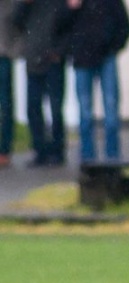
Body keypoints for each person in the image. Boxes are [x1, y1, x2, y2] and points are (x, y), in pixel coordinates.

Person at [66, 0, 129, 162]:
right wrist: (71, 9)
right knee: (85, 111)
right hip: (82, 59)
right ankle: (87, 158)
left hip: (106, 57)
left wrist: (114, 47)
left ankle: (113, 156)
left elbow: (125, 25)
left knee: (110, 108)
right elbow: (60, 26)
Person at [13, 0, 73, 167]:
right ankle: (40, 151)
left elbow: (69, 26)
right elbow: (16, 22)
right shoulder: (28, 4)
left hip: (53, 62)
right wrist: (24, 4)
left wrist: (59, 51)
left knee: (55, 107)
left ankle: (57, 151)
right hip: (33, 59)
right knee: (33, 107)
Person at [0, 0, 24, 167]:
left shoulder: (11, 4)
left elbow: (20, 27)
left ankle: (4, 150)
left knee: (6, 103)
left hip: (4, 57)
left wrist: (13, 51)